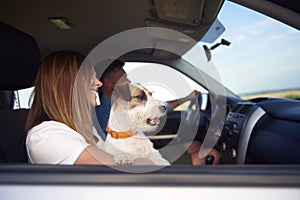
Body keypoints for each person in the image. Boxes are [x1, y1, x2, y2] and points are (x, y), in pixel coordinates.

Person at [25, 51, 153, 165]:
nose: (99, 83)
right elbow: (120, 169)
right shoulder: (46, 136)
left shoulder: (85, 128)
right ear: (69, 85)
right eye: (90, 76)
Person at [95, 59, 221, 165]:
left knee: (195, 144)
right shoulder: (108, 109)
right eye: (124, 78)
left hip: (138, 149)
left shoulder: (121, 100)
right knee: (211, 154)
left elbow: (159, 109)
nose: (128, 81)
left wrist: (185, 99)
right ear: (108, 82)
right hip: (133, 159)